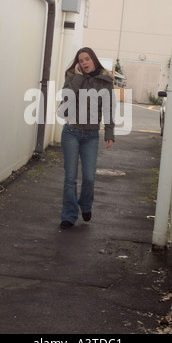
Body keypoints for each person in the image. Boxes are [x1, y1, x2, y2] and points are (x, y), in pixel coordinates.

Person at [59, 47, 115, 230]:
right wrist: (78, 77)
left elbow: (108, 108)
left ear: (94, 60)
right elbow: (66, 96)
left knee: (89, 177)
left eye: (87, 59)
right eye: (81, 60)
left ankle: (86, 205)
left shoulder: (105, 82)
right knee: (70, 178)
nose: (84, 62)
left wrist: (109, 133)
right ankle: (69, 215)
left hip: (91, 136)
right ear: (78, 64)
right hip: (71, 133)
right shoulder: (72, 78)